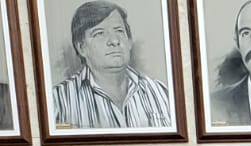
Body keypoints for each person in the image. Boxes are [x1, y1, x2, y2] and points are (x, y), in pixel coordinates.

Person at [51, 1, 174, 129]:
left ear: (129, 41)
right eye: (99, 33)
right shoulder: (58, 101)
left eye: (119, 31)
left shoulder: (160, 92)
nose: (114, 41)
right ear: (81, 48)